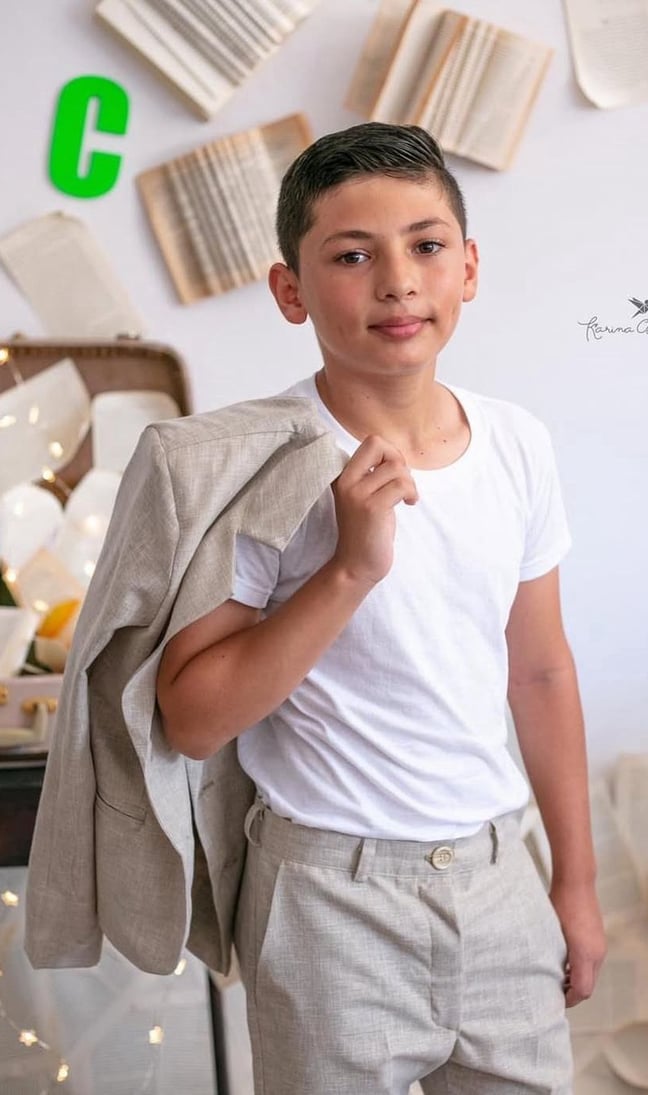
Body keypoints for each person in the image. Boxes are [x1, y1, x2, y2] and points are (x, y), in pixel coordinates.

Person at [156, 122, 605, 1095]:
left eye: (426, 245)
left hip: (499, 880)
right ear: (290, 291)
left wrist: (573, 882)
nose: (398, 281)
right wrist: (349, 569)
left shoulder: (518, 443)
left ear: (469, 268)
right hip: (327, 901)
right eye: (352, 256)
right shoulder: (246, 467)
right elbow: (193, 719)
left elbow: (539, 671)